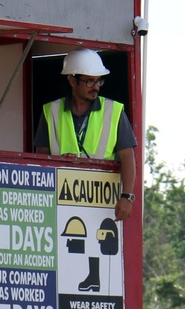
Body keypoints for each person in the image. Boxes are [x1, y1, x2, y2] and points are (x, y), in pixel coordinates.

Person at [33, 48, 137, 220]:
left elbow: (128, 156)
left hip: (102, 203)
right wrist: (59, 162)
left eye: (98, 81)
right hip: (60, 200)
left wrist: (127, 196)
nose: (95, 87)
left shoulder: (114, 111)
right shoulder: (51, 111)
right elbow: (40, 158)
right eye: (89, 81)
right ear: (72, 81)